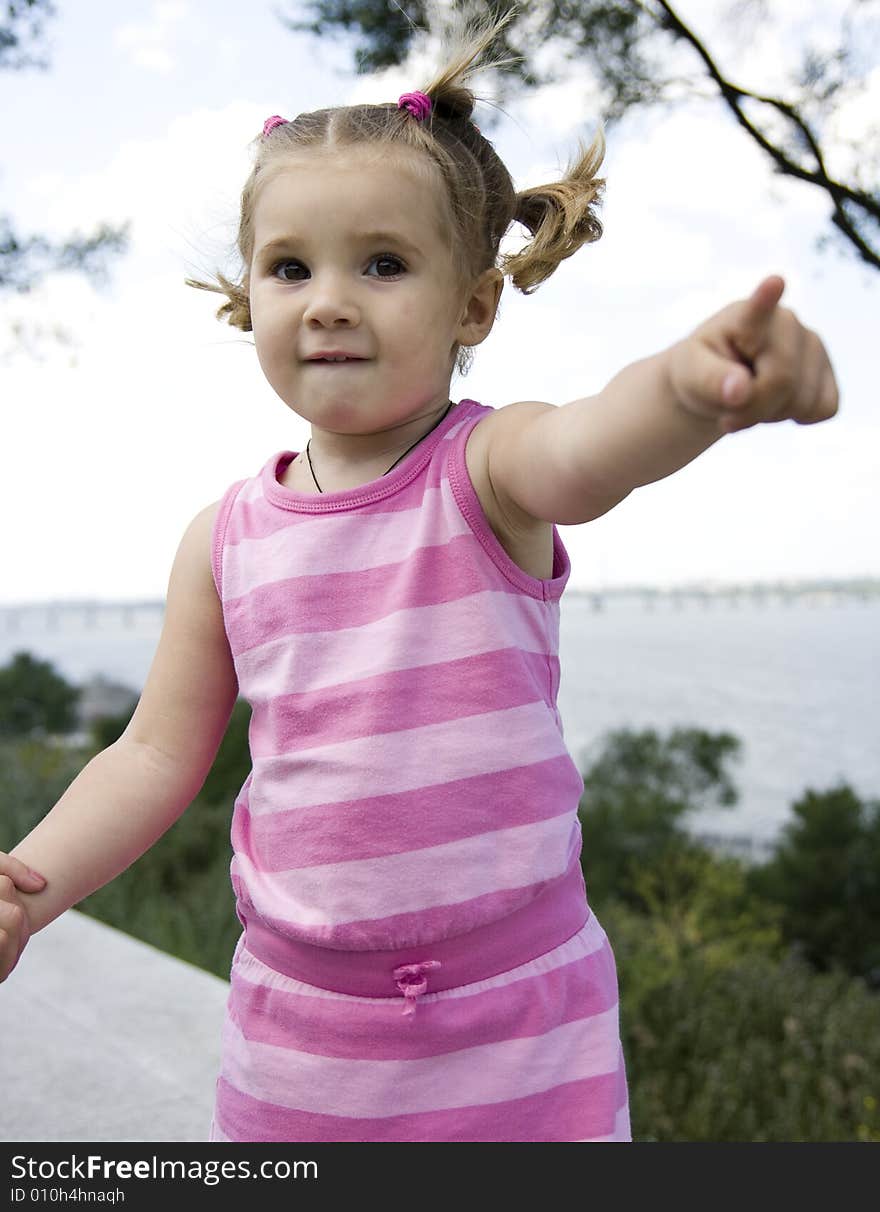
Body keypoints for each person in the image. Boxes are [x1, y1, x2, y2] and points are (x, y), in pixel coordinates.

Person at [0, 10, 838, 1143]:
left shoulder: (485, 469)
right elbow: (153, 754)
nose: (331, 299)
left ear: (473, 305)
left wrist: (688, 390)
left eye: (383, 264)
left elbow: (590, 450)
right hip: (302, 1031)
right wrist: (30, 887)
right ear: (250, 298)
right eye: (291, 267)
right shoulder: (223, 537)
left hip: (520, 1021)